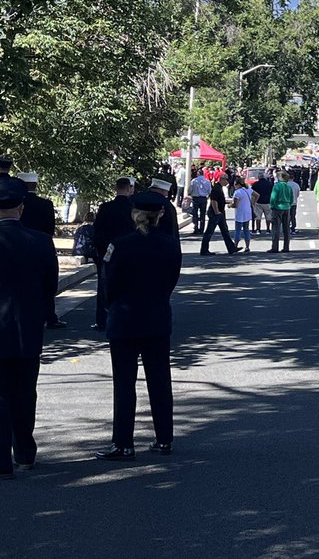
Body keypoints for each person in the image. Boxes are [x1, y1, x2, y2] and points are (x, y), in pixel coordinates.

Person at [95, 191, 182, 460]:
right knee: (159, 380)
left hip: (124, 319)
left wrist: (115, 306)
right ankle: (164, 438)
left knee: (124, 383)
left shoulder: (119, 245)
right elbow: (171, 281)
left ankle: (123, 443)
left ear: (135, 215)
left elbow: (108, 286)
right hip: (156, 317)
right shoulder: (170, 244)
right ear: (159, 216)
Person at [0, 176, 58, 478]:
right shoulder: (41, 241)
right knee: (25, 393)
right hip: (27, 330)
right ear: (21, 208)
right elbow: (50, 288)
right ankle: (24, 452)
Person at [17, 173, 65, 329]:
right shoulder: (46, 204)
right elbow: (50, 228)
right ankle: (50, 317)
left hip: (20, 246)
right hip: (42, 246)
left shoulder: (17, 202)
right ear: (36, 186)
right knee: (46, 280)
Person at [91, 177, 137, 331]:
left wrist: (100, 250)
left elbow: (97, 231)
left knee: (103, 285)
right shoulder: (134, 207)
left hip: (108, 251)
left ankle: (101, 320)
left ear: (116, 188)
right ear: (129, 188)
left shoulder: (105, 207)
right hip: (129, 252)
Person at [200, 174, 241, 256]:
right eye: (226, 180)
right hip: (216, 213)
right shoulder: (216, 188)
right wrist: (216, 211)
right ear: (222, 179)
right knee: (209, 232)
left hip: (220, 213)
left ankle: (231, 248)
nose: (227, 182)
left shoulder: (220, 188)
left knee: (225, 231)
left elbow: (220, 200)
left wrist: (228, 202)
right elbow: (213, 201)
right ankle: (204, 250)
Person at [268, 171, 294, 253]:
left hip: (277, 207)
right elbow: (291, 199)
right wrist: (288, 204)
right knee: (286, 228)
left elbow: (273, 197)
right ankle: (286, 247)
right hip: (287, 207)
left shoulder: (277, 186)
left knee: (276, 228)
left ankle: (275, 247)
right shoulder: (289, 187)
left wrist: (272, 206)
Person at [150, 176, 181, 242]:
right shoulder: (167, 205)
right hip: (163, 242)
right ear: (163, 190)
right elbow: (173, 228)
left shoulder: (140, 200)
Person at [230, 176, 254, 252]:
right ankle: (247, 247)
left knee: (238, 230)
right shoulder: (248, 189)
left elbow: (235, 205)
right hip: (247, 211)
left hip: (240, 212)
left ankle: (235, 246)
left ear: (238, 184)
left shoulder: (237, 192)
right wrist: (253, 203)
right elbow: (257, 195)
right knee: (246, 229)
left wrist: (229, 205)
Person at [187, 169, 211, 234]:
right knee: (203, 214)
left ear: (197, 174)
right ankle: (202, 229)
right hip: (203, 198)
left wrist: (189, 194)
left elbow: (190, 190)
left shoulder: (194, 181)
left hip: (195, 198)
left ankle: (196, 228)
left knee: (195, 214)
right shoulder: (207, 181)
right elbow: (210, 191)